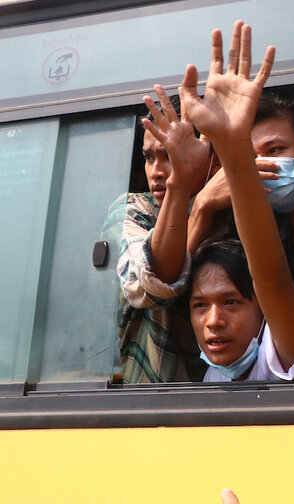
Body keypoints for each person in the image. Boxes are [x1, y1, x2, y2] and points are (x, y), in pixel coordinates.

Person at [182, 20, 294, 382]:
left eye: (232, 302)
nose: (214, 322)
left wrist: (236, 151)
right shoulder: (212, 376)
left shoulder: (279, 353)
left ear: (264, 310)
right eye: (199, 306)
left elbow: (271, 276)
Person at [116, 88, 215, 383]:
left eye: (168, 155)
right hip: (156, 406)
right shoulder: (135, 209)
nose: (156, 172)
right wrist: (197, 203)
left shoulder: (236, 208)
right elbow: (155, 283)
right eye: (149, 158)